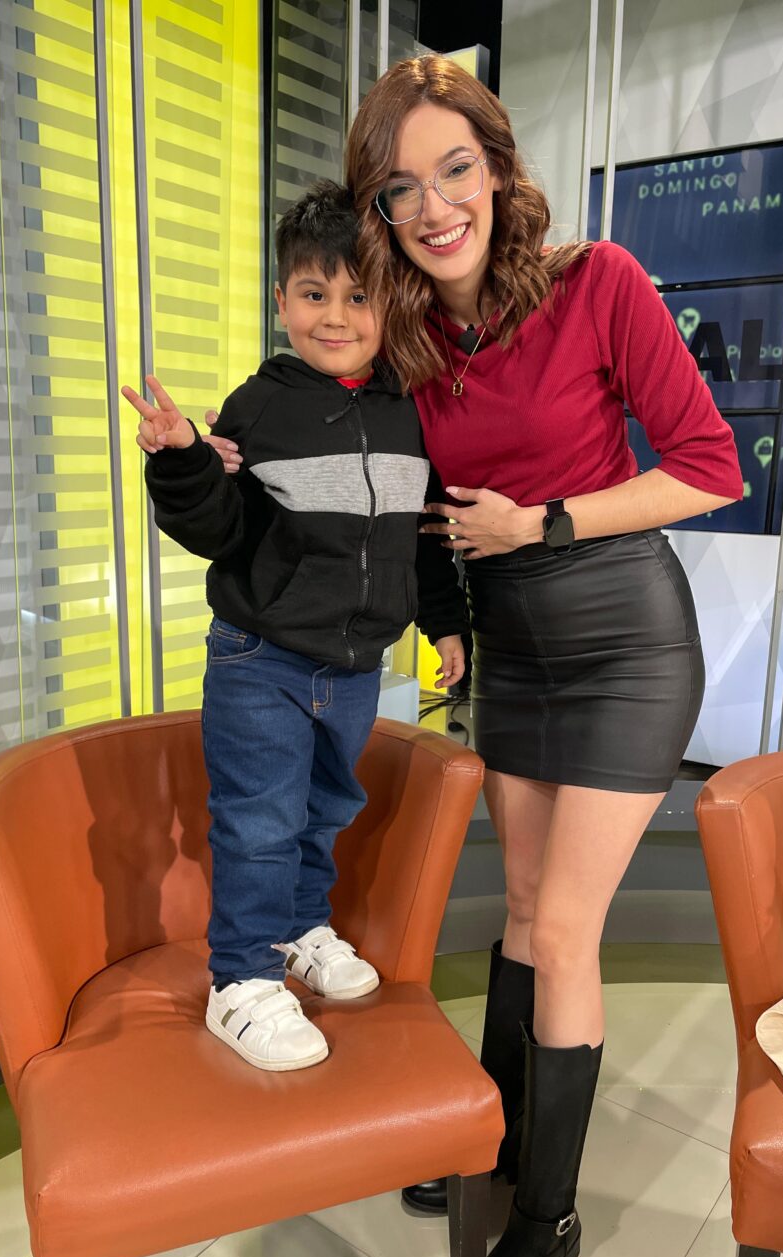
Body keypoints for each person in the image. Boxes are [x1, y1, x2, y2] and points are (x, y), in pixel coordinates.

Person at [340, 55, 744, 1257]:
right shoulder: (410, 341)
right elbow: (409, 502)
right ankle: (495, 1136)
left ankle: (548, 1218)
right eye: (402, 187)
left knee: (564, 927)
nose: (434, 206)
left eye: (455, 168)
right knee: (520, 907)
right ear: (379, 211)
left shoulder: (595, 281)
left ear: (498, 170)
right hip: (511, 646)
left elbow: (710, 467)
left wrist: (546, 521)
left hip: (624, 641)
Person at [121, 180, 468, 1074]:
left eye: (359, 296)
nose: (336, 317)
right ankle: (240, 980)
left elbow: (424, 535)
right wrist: (183, 461)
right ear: (282, 301)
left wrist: (446, 624)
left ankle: (303, 929)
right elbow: (219, 529)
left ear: (393, 301)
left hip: (355, 665)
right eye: (315, 294)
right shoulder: (259, 406)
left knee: (325, 811)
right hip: (261, 658)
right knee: (259, 822)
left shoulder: (409, 409)